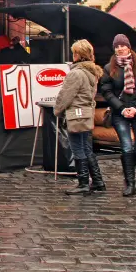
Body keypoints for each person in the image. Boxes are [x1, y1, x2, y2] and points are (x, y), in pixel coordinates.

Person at [99, 34, 136, 197]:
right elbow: (107, 91)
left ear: (128, 47)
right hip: (119, 112)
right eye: (117, 46)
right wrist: (121, 108)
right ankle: (130, 183)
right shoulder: (109, 68)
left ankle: (128, 170)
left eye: (122, 45)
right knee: (126, 147)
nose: (120, 49)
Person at [54, 40, 105, 195]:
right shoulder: (92, 72)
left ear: (78, 54)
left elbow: (66, 96)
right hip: (86, 114)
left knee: (77, 149)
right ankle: (97, 181)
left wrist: (57, 110)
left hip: (76, 114)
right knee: (87, 148)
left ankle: (83, 182)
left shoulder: (76, 73)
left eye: (74, 52)